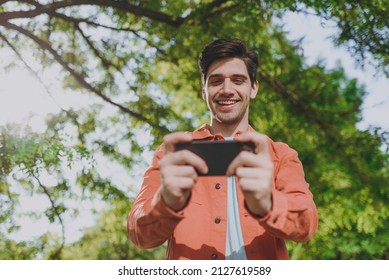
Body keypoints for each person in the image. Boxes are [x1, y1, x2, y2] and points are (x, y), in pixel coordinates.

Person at [127, 38, 318, 260]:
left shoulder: (281, 154)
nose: (227, 90)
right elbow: (139, 234)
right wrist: (165, 202)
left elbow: (306, 225)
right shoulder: (174, 155)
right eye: (216, 81)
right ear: (204, 90)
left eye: (238, 80)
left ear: (253, 88)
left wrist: (267, 202)